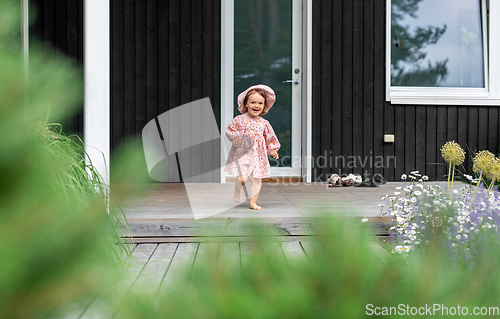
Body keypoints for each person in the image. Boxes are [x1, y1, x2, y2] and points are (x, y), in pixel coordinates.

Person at [225, 84, 280, 210]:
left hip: (259, 156)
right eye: (253, 102)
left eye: (260, 103)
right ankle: (238, 190)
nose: (256, 106)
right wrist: (235, 137)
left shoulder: (264, 123)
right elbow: (230, 130)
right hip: (243, 153)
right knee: (243, 179)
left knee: (257, 179)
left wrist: (272, 149)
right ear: (246, 104)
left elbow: (270, 137)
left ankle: (253, 202)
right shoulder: (240, 119)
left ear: (264, 106)